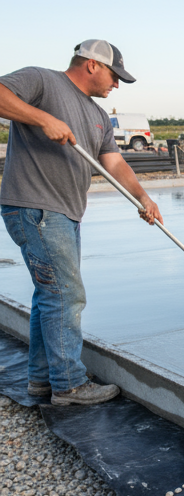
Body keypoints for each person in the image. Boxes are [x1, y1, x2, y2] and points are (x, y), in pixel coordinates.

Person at [0, 40, 163, 405]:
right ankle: (69, 385)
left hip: (65, 213)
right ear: (92, 65)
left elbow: (114, 162)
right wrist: (43, 118)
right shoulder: (42, 81)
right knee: (66, 294)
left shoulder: (98, 115)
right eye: (114, 76)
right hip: (37, 209)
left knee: (50, 296)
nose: (117, 84)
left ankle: (42, 380)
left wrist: (143, 197)